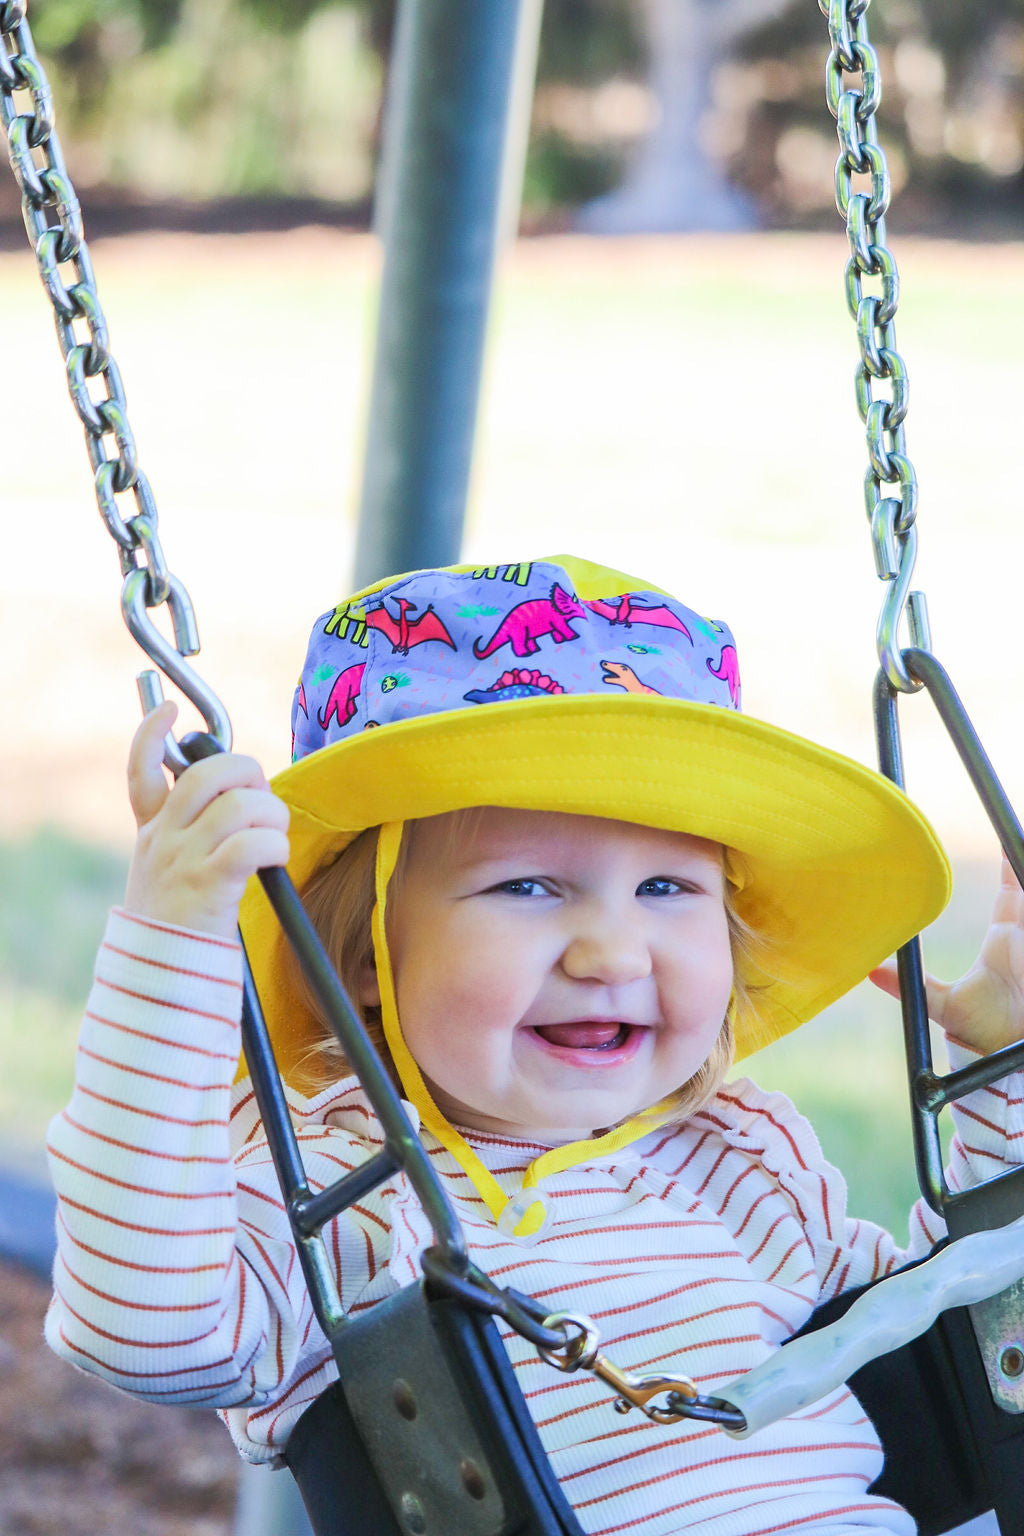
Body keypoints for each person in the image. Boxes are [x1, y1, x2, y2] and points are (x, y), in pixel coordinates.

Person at [45, 555, 1024, 1536]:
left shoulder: (738, 1164)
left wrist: (1004, 1080)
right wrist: (172, 942)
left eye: (666, 889)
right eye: (527, 887)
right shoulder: (342, 1193)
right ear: (368, 953)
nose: (609, 953)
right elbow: (142, 1329)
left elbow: (961, 1344)